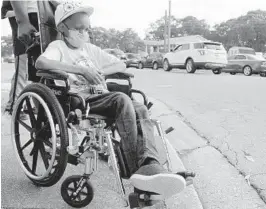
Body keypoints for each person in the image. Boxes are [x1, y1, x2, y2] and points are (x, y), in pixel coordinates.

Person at [35, 1, 186, 198]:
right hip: (82, 100)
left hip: (104, 96)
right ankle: (135, 170)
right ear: (62, 27)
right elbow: (41, 62)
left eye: (86, 28)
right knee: (122, 100)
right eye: (78, 28)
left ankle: (150, 164)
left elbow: (120, 63)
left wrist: (98, 72)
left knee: (139, 108)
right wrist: (81, 70)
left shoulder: (90, 49)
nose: (83, 32)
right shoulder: (59, 46)